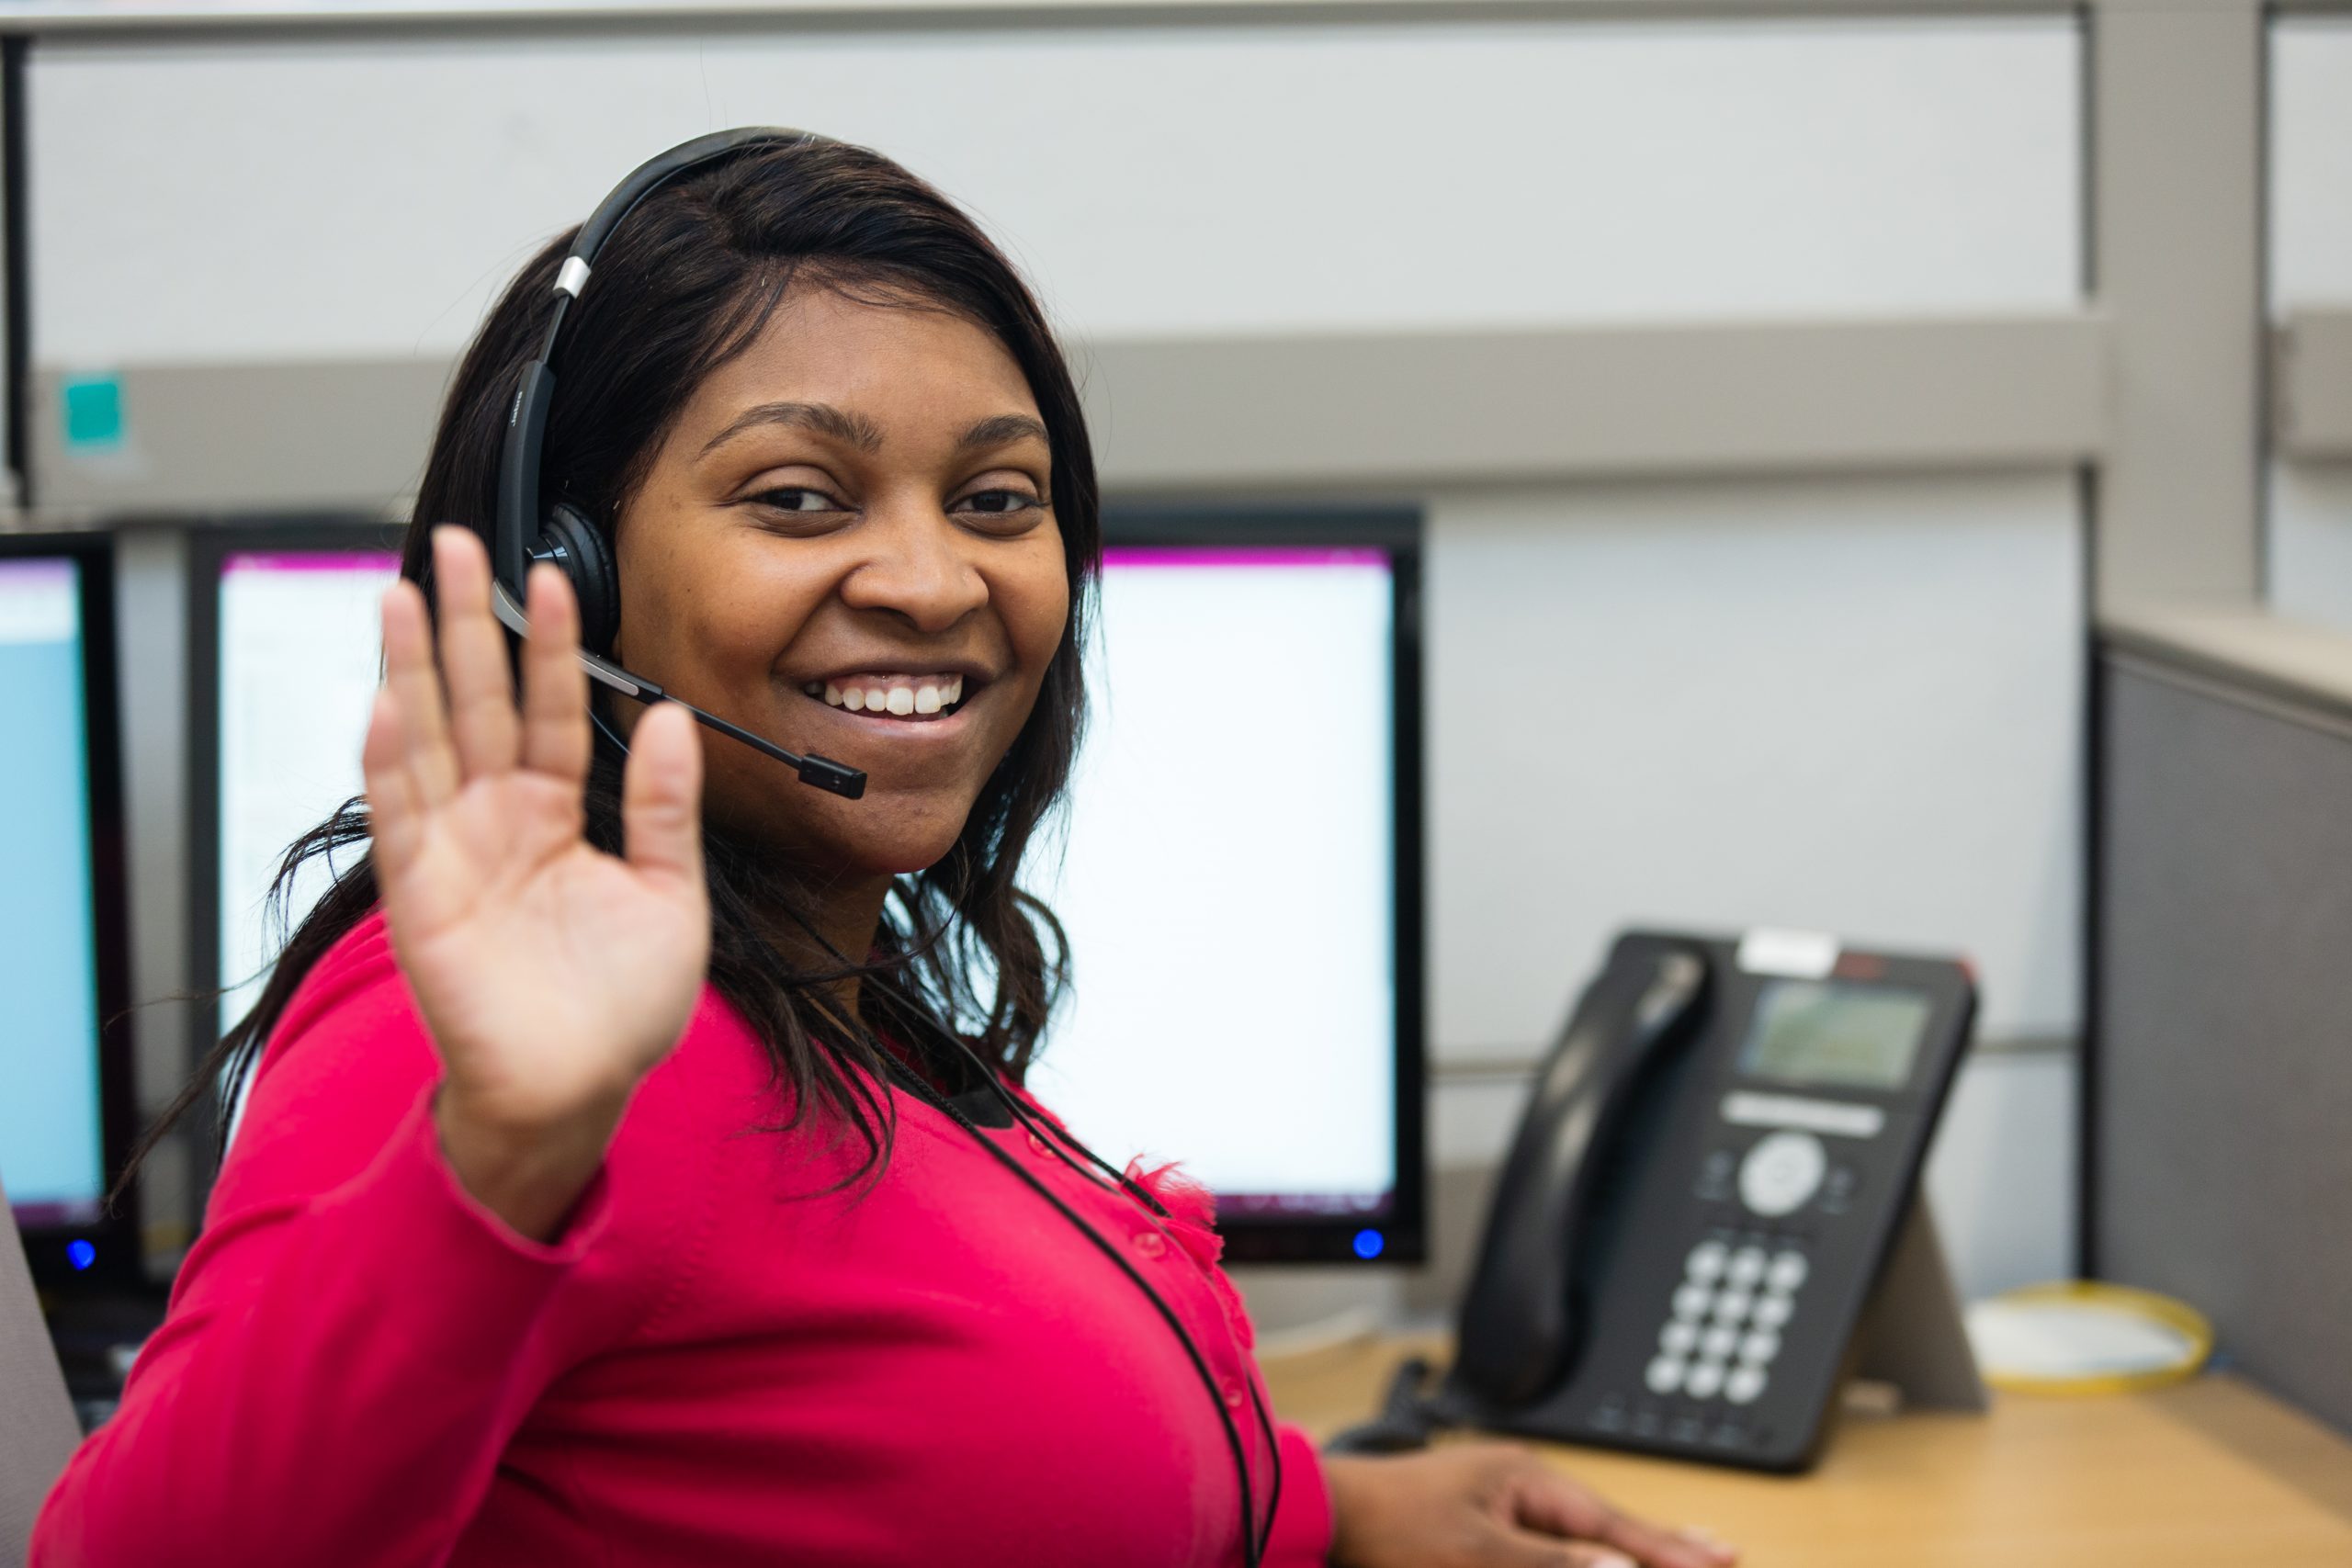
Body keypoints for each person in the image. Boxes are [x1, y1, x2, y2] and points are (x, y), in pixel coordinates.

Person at [35, 133, 1738, 1568]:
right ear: (573, 569)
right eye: (800, 498)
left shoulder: (818, 958)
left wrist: (1332, 1509)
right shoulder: (489, 1038)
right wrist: (499, 1150)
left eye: (998, 500)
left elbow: (921, 1461)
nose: (936, 582)